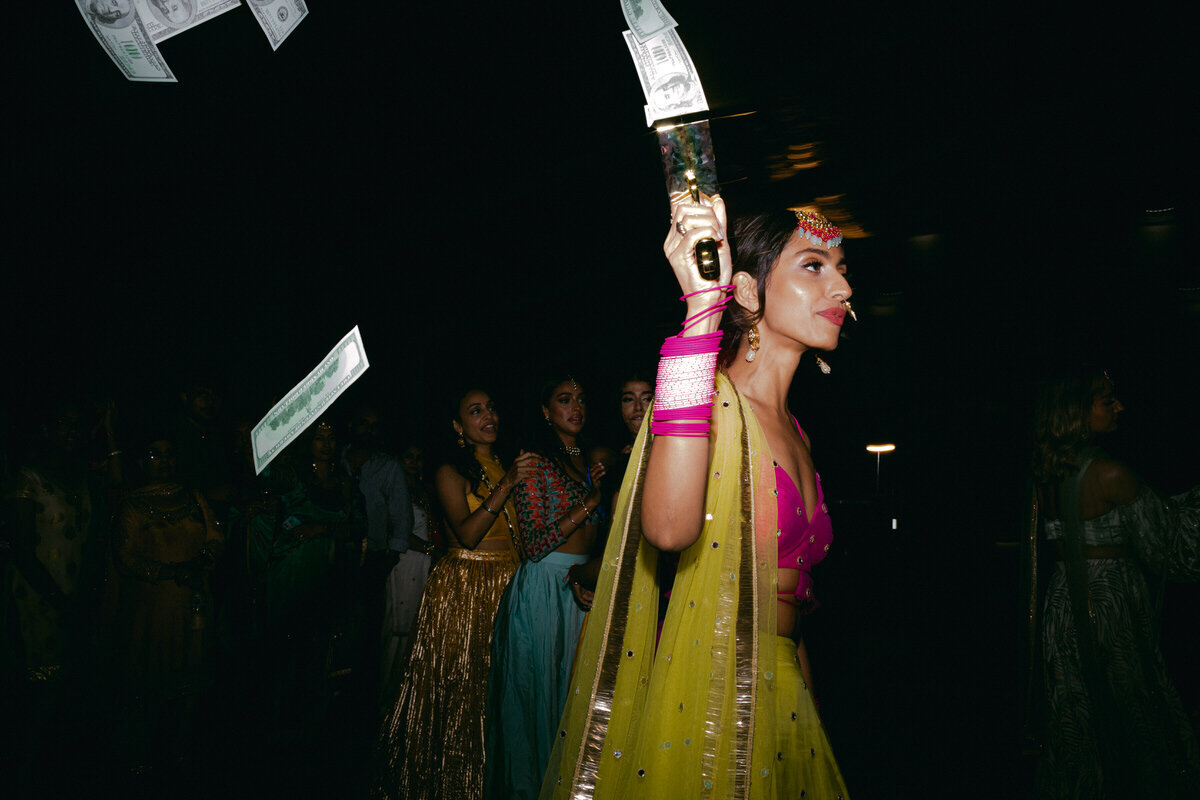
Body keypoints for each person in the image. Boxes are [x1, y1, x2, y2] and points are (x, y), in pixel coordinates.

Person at [541, 199, 854, 798]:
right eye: (814, 265)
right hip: (708, 697)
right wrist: (699, 318)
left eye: (841, 267)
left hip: (783, 693)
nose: (842, 285)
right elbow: (667, 528)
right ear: (748, 291)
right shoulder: (705, 402)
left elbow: (791, 616)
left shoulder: (799, 432)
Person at [1027, 368, 1200, 798]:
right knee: (1134, 711)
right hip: (1108, 605)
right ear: (1077, 411)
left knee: (1078, 714)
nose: (1119, 406)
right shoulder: (1109, 474)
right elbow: (1166, 544)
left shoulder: (1046, 472)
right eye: (1108, 400)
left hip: (1064, 603)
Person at [371, 389, 535, 800]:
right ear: (459, 427)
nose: (488, 415)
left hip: (510, 582)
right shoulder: (450, 469)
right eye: (475, 411)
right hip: (466, 586)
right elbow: (468, 532)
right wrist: (508, 483)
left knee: (504, 690)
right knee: (465, 691)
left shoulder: (506, 463)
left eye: (492, 406)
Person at [484, 376, 605, 799]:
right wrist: (588, 503)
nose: (576, 407)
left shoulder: (586, 458)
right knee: (540, 704)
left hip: (581, 587)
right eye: (564, 399)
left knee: (575, 702)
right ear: (545, 410)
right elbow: (534, 544)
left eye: (581, 398)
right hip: (544, 589)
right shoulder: (534, 462)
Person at [103, 433, 223, 773]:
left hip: (193, 605)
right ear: (141, 462)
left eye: (170, 454)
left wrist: (202, 563)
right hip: (151, 609)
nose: (165, 461)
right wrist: (169, 572)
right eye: (155, 455)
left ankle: (180, 753)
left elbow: (216, 536)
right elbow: (124, 557)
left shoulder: (192, 497)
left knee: (191, 679)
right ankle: (137, 759)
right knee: (149, 679)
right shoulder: (132, 505)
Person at [379, 444, 439, 686]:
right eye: (409, 457)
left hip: (424, 564)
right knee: (396, 629)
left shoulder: (426, 491)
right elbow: (393, 527)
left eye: (419, 458)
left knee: (415, 629)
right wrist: (430, 549)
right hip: (403, 561)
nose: (414, 463)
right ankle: (383, 697)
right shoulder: (393, 488)